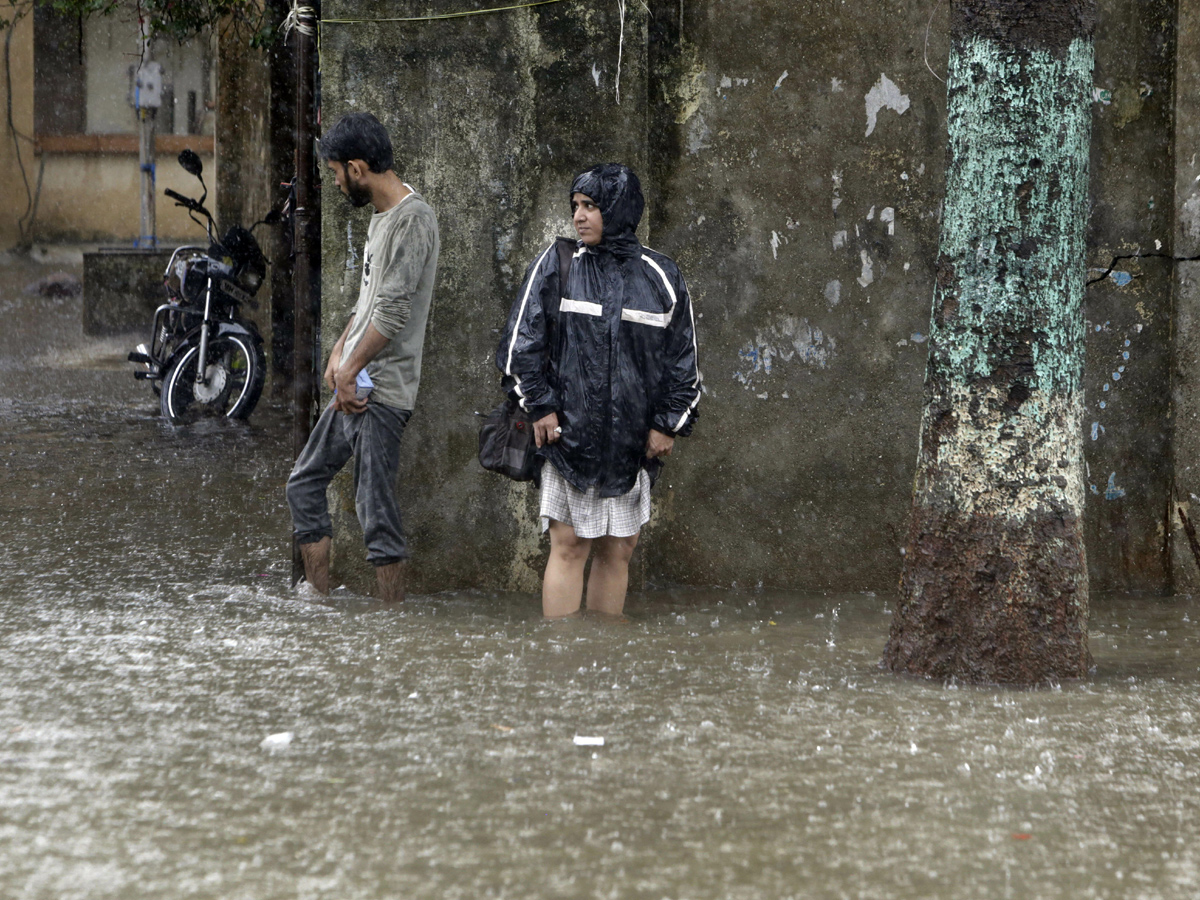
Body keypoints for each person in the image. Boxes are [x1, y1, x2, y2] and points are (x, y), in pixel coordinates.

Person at [497, 163, 701, 618]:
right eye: (576, 206)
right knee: (569, 545)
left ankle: (606, 655)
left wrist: (668, 425)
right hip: (568, 439)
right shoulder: (560, 263)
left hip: (632, 446)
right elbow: (519, 346)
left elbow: (683, 362)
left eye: (591, 206)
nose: (579, 216)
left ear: (618, 210)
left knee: (620, 548)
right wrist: (541, 409)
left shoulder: (661, 276)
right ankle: (562, 658)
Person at [287, 112, 440, 603]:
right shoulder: (381, 218)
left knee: (374, 508)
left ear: (357, 168)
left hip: (383, 391)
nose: (334, 183)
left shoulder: (415, 220)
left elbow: (393, 314)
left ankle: (391, 622)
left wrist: (350, 370)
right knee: (304, 482)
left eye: (335, 173)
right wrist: (339, 353)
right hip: (354, 384)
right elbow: (369, 301)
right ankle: (317, 599)